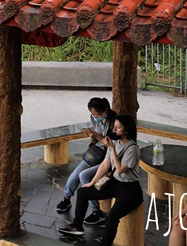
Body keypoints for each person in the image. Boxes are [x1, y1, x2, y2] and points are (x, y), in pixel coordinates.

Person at [58, 114, 143, 244]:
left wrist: (112, 149)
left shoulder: (133, 149)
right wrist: (92, 183)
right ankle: (77, 226)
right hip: (114, 183)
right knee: (82, 192)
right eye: (114, 127)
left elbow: (120, 169)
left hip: (130, 189)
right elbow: (105, 165)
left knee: (112, 216)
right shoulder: (114, 142)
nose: (114, 130)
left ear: (127, 130)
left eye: (118, 128)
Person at [56, 97, 116, 226]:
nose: (95, 117)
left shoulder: (113, 122)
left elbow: (111, 145)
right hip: (95, 153)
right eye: (93, 114)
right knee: (75, 175)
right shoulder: (94, 118)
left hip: (108, 157)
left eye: (97, 114)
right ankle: (67, 198)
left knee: (84, 176)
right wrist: (91, 136)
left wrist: (98, 137)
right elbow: (95, 141)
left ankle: (96, 211)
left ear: (105, 110)